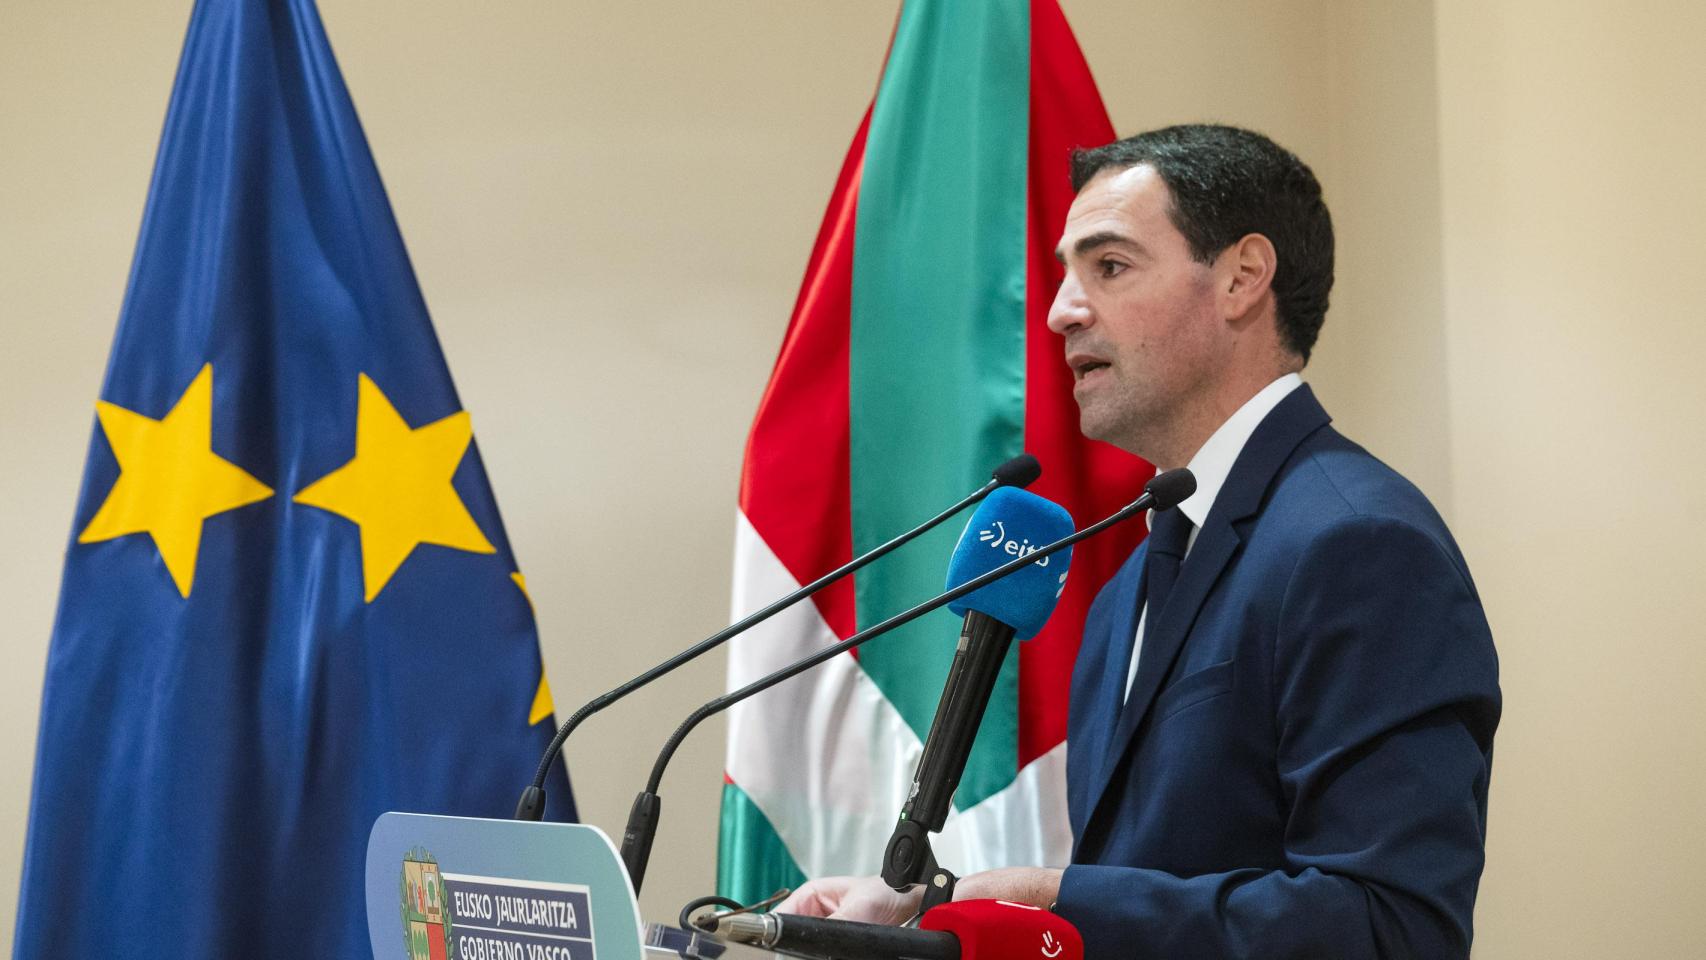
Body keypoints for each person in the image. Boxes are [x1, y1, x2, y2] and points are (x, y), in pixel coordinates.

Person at [775, 124, 1501, 959]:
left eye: (1109, 267)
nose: (1058, 312)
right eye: (1064, 276)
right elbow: (1158, 877)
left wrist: (1056, 899)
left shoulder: (1358, 542)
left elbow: (1391, 927)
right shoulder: (1125, 588)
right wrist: (926, 916)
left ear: (1242, 278)